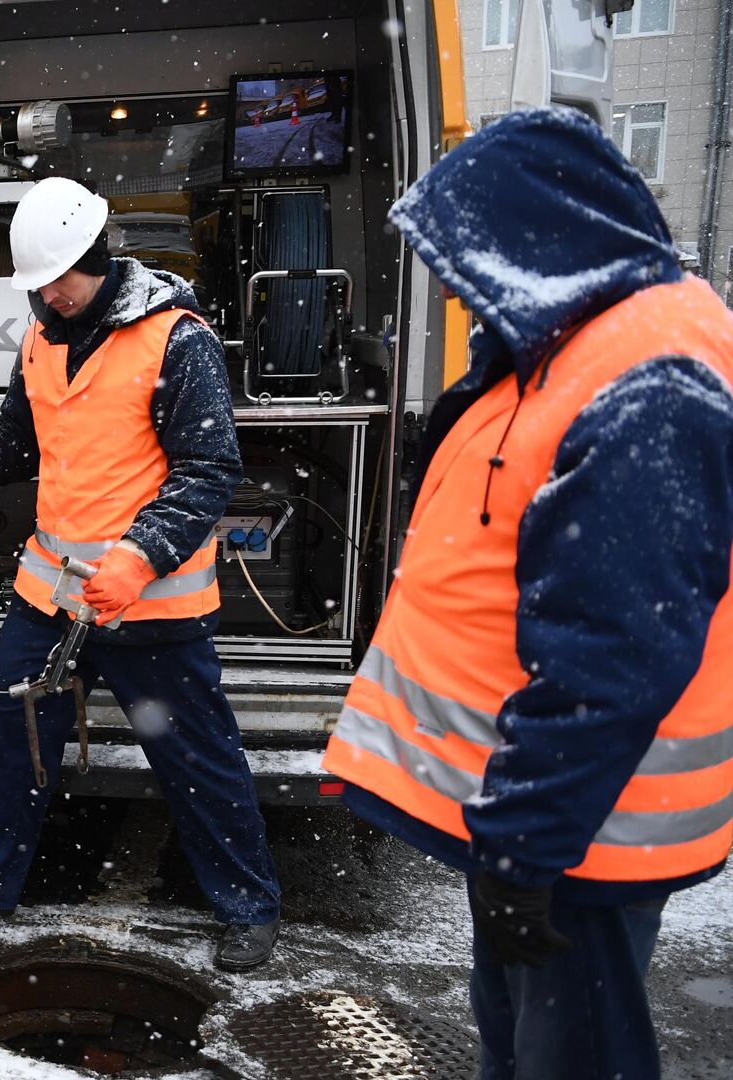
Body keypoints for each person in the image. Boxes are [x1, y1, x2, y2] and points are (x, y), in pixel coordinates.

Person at [322, 107, 733, 1080]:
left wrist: (525, 847)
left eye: (468, 257)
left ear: (541, 236)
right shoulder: (582, 344)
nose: (459, 287)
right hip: (553, 821)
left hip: (586, 834)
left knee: (569, 1058)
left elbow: (615, 651)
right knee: (523, 1046)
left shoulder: (649, 378)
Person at [0, 177, 283, 970]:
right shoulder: (40, 336)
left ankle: (248, 908)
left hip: (152, 607)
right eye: (35, 287)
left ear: (98, 259)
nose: (47, 298)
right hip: (51, 598)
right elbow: (17, 442)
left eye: (58, 283)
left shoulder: (178, 337)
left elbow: (208, 469)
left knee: (196, 756)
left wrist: (137, 559)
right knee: (4, 730)